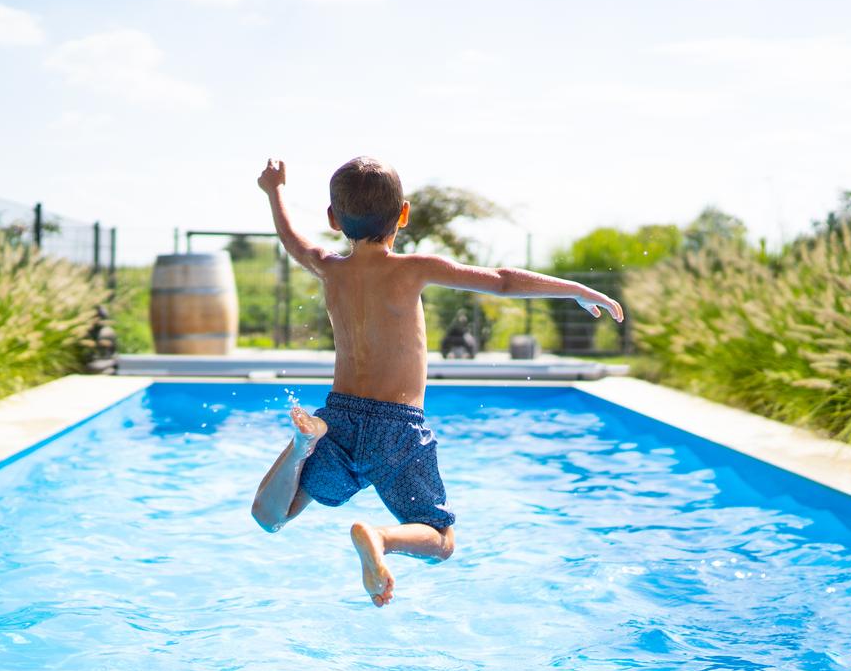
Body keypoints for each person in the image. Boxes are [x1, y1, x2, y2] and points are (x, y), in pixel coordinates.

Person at [250, 156, 624, 607]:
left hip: (339, 419)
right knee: (441, 539)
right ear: (403, 215)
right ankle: (380, 537)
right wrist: (576, 289)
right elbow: (502, 281)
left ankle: (299, 447)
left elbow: (292, 241)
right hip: (397, 428)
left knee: (272, 517)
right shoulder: (413, 269)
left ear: (333, 218)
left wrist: (275, 191)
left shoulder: (330, 268)